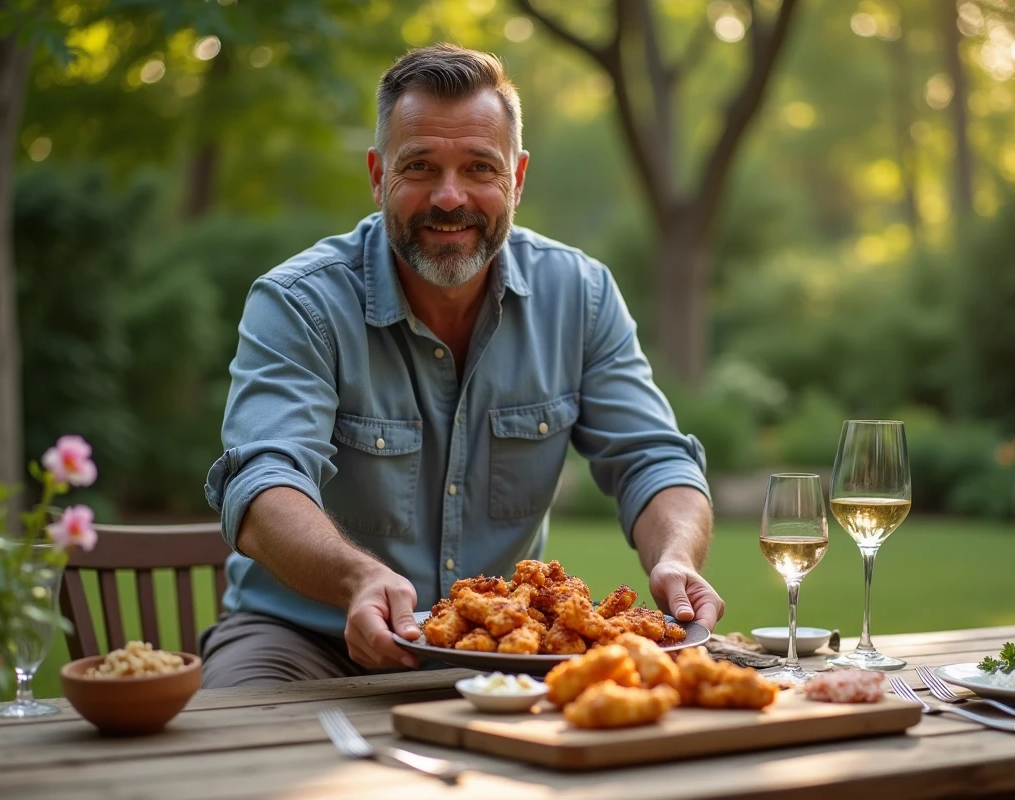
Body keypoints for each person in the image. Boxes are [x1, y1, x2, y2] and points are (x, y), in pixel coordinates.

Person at [200, 43, 724, 688]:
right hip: (305, 638)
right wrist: (357, 580)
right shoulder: (299, 303)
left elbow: (653, 459)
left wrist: (675, 558)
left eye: (480, 167)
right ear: (377, 175)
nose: (450, 198)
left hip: (506, 650)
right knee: (237, 760)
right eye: (420, 167)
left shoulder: (581, 296)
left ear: (518, 178)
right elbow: (263, 480)